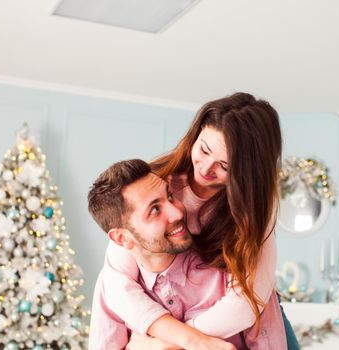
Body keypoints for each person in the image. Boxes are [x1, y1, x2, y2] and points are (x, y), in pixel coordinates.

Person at [95, 92, 299, 349]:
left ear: (247, 173)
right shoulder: (155, 181)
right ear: (197, 133)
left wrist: (167, 343)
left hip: (246, 324)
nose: (205, 169)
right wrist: (180, 337)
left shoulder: (254, 209)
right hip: (171, 322)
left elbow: (247, 304)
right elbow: (116, 284)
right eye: (203, 149)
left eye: (224, 166)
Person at [88, 159, 287, 349]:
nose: (177, 213)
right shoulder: (114, 289)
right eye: (155, 210)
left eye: (170, 196)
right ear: (122, 239)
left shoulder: (234, 267)